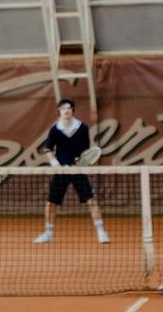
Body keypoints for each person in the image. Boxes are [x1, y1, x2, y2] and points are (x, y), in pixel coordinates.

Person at [34, 98, 109, 244]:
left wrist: (78, 162)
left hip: (77, 170)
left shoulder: (82, 128)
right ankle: (48, 233)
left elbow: (85, 152)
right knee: (50, 203)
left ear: (73, 110)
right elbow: (48, 149)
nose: (66, 110)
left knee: (91, 201)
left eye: (69, 108)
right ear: (59, 111)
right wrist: (55, 163)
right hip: (61, 171)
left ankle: (101, 232)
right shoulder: (55, 129)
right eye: (63, 108)